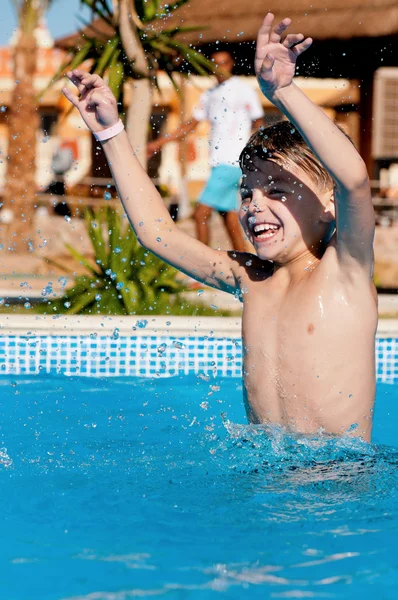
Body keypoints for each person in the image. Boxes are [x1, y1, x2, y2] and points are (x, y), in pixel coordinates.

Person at [63, 13, 377, 441]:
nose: (255, 206)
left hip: (338, 480)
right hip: (266, 477)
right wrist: (110, 133)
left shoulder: (345, 269)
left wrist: (284, 92)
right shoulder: (251, 278)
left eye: (278, 191)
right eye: (248, 193)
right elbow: (159, 233)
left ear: (329, 204)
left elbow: (354, 180)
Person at [147, 50, 264, 252]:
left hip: (233, 162)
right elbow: (191, 124)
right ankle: (248, 264)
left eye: (224, 63)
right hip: (218, 162)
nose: (220, 68)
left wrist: (258, 153)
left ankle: (204, 268)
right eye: (215, 63)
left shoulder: (243, 89)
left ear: (231, 64)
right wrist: (160, 142)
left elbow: (259, 122)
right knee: (228, 216)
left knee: (201, 214)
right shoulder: (209, 95)